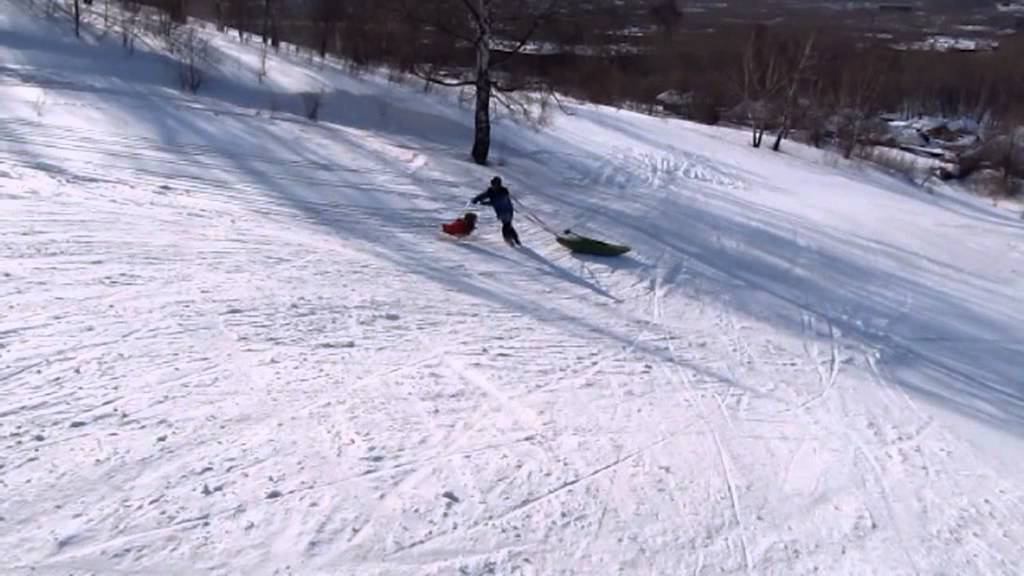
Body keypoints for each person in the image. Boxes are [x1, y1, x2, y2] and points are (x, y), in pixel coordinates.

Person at [471, 176, 521, 246]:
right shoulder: (491, 191)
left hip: (507, 211)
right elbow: (484, 195)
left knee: (506, 226)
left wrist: (483, 203)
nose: (494, 186)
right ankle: (515, 239)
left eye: (495, 185)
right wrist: (476, 199)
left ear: (499, 185)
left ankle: (509, 241)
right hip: (500, 211)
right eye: (493, 184)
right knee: (508, 225)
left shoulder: (503, 192)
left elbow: (496, 202)